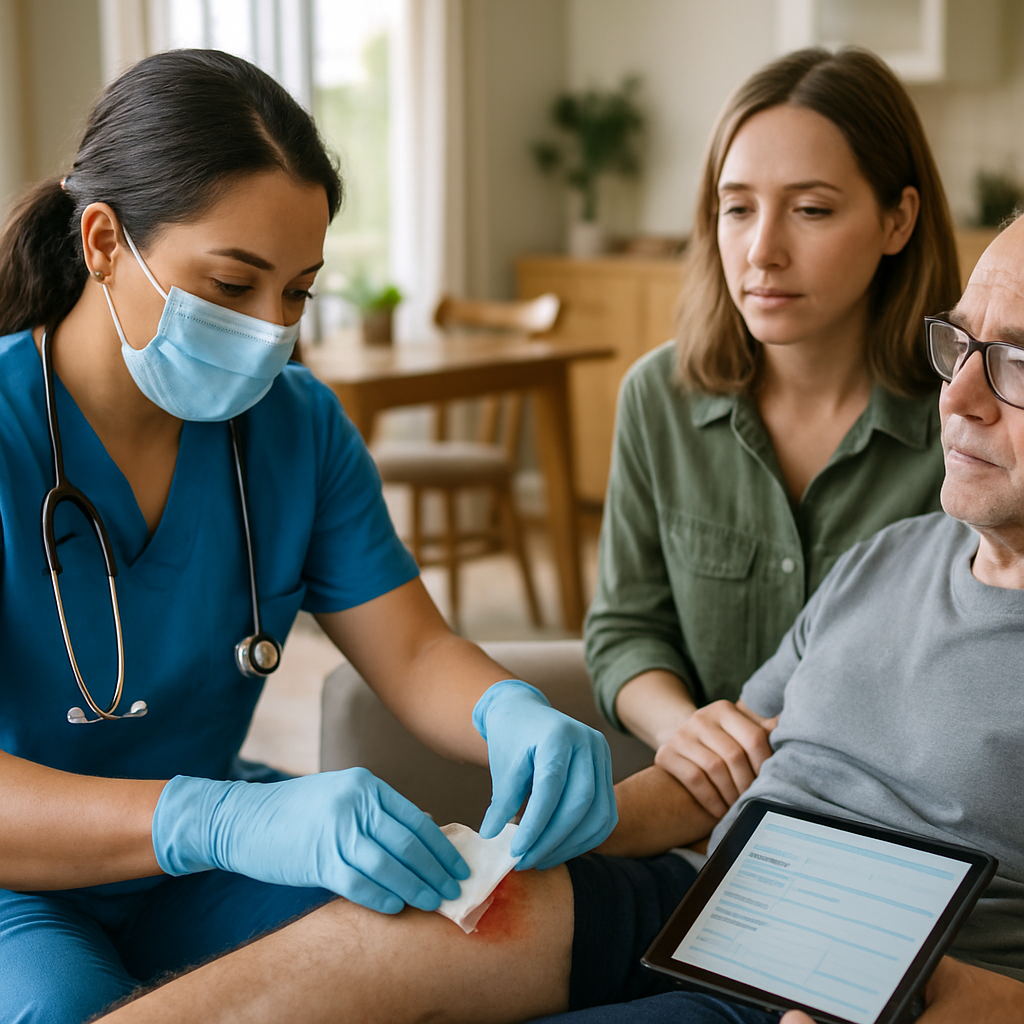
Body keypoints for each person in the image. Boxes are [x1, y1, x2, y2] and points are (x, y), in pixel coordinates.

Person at [94, 203, 1024, 1024]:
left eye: (1015, 362)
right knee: (397, 936)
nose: (962, 394)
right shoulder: (887, 559)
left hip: (878, 973)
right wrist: (553, 836)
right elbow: (733, 773)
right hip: (707, 895)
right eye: (962, 344)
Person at [0, 49, 617, 1024]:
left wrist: (510, 711)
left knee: (466, 935)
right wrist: (218, 817)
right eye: (233, 283)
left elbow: (411, 651)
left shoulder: (294, 427)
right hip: (20, 885)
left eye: (296, 293)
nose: (269, 330)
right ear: (105, 241)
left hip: (207, 864)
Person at [585, 47, 961, 820]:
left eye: (811, 209)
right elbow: (625, 629)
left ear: (898, 219)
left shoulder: (971, 420)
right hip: (697, 816)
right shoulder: (657, 398)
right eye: (737, 207)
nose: (762, 252)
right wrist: (684, 728)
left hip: (891, 833)